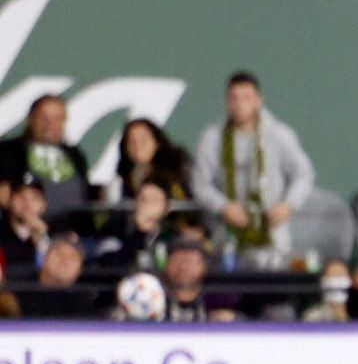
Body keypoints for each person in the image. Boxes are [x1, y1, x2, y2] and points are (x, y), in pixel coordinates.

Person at [192, 71, 316, 264]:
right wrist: (223, 206)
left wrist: (288, 205)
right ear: (227, 101)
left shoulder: (279, 134)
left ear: (258, 100)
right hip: (228, 234)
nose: (240, 105)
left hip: (273, 235)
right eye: (234, 98)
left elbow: (304, 175)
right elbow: (200, 184)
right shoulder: (212, 138)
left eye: (246, 98)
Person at [0, 94, 92, 230]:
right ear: (30, 119)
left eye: (57, 118)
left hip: (73, 233)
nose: (50, 124)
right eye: (44, 118)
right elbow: (3, 194)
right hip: (28, 231)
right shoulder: (10, 150)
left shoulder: (74, 154)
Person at [94, 177, 171, 270]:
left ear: (166, 207)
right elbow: (108, 264)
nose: (148, 205)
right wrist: (139, 233)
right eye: (143, 199)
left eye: (155, 200)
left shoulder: (171, 235)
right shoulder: (115, 229)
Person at [108, 118, 192, 203]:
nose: (137, 146)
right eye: (131, 141)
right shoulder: (123, 180)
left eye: (143, 140)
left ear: (157, 143)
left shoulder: (176, 174)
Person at [18, 235, 97, 319]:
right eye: (59, 253)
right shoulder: (19, 290)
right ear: (44, 259)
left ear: (79, 270)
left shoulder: (83, 302)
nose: (64, 259)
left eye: (72, 257)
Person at [0, 174, 49, 277]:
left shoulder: (56, 236)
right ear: (9, 201)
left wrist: (41, 239)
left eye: (34, 198)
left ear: (44, 205)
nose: (26, 203)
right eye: (20, 196)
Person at [301, 258, 356, 322]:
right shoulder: (313, 317)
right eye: (334, 276)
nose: (338, 282)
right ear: (323, 282)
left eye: (341, 275)